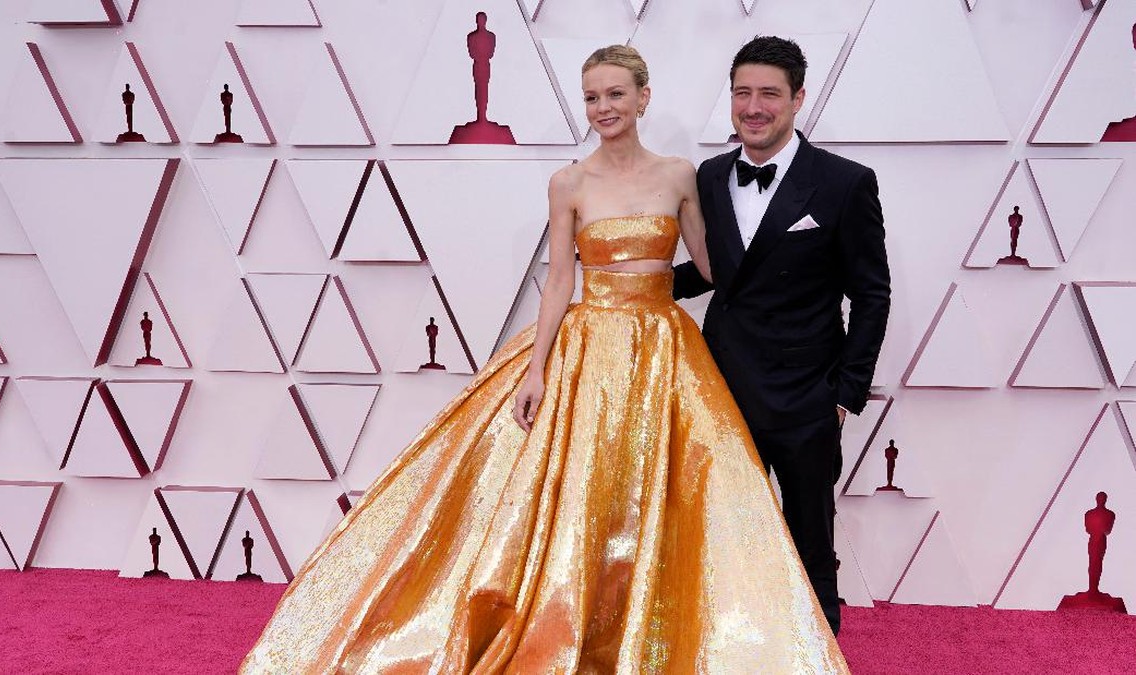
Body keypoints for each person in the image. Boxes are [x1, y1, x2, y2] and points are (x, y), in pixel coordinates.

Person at [241, 45, 847, 673]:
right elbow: (560, 280)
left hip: (666, 346)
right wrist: (537, 370)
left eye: (615, 94)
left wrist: (794, 294)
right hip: (590, 346)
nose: (603, 108)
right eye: (591, 97)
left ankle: (672, 631)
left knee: (673, 495)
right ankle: (570, 623)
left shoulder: (678, 176)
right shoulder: (569, 182)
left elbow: (717, 268)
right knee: (585, 494)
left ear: (643, 98)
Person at [673, 36, 890, 636]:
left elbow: (871, 294)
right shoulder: (711, 177)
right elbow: (718, 268)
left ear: (797, 99)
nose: (753, 106)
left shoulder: (845, 183)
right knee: (723, 534)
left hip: (806, 397)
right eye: (742, 93)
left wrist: (846, 394)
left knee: (811, 542)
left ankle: (819, 649)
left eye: (769, 93)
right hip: (723, 389)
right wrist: (637, 287)